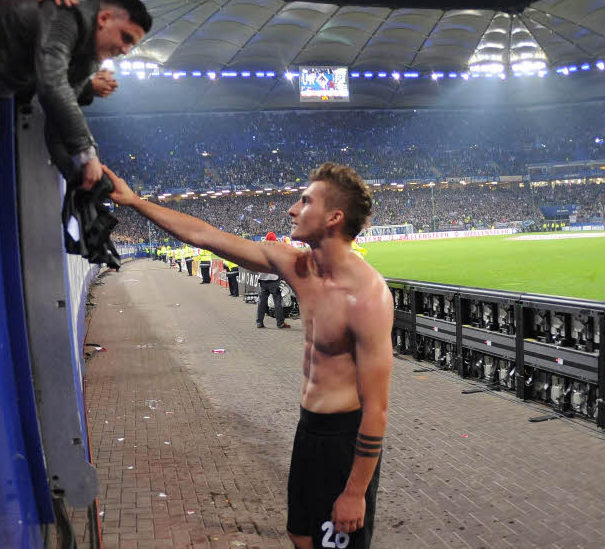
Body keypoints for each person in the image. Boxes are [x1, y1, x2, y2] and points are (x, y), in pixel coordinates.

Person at [102, 161, 393, 548]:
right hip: (309, 430)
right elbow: (204, 235)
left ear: (334, 218)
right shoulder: (298, 265)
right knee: (300, 534)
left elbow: (377, 408)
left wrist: (355, 491)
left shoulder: (367, 296)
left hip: (344, 439)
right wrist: (135, 202)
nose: (292, 209)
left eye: (305, 202)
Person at [0, 0, 151, 188]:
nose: (125, 51)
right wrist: (87, 154)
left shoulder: (89, 58)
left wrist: (79, 177)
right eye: (126, 38)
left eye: (132, 45)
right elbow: (52, 86)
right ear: (104, 18)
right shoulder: (65, 18)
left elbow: (57, 121)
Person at [256, 232, 289, 329]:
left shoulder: (260, 250)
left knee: (262, 302)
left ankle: (259, 322)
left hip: (263, 279)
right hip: (274, 280)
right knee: (277, 302)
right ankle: (280, 323)